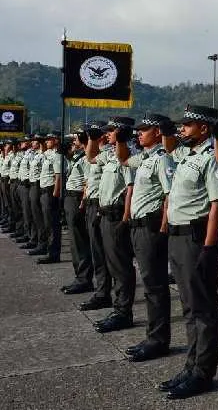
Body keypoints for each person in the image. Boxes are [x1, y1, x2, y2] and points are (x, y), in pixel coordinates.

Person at [158, 105, 218, 400]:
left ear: (204, 128)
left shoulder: (211, 158)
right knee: (189, 307)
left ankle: (203, 372)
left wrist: (210, 247)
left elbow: (217, 203)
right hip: (177, 237)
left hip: (196, 240)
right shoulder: (187, 156)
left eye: (188, 124)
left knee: (203, 310)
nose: (182, 129)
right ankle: (191, 365)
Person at [115, 114, 175, 362]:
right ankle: (152, 335)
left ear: (158, 132)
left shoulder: (162, 159)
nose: (139, 133)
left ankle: (159, 340)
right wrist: (120, 140)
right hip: (139, 227)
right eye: (137, 130)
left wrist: (163, 230)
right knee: (149, 285)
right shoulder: (146, 157)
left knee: (155, 286)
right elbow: (124, 159)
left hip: (152, 227)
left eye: (144, 130)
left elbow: (168, 195)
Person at [86, 117, 137, 333]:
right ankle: (117, 308)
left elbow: (131, 189)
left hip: (117, 215)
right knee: (110, 263)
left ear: (122, 131)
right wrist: (92, 138)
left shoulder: (129, 155)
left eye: (111, 131)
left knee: (121, 266)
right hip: (104, 213)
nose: (106, 134)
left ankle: (123, 312)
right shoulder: (109, 154)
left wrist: (125, 219)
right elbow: (90, 157)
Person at [79, 124, 113, 312]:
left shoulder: (111, 152)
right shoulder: (100, 153)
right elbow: (90, 158)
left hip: (103, 206)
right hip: (92, 203)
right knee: (97, 252)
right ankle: (102, 291)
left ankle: (104, 293)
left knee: (105, 253)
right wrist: (92, 138)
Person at [61, 132, 94, 294]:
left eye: (76, 139)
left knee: (80, 241)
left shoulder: (86, 158)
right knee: (74, 241)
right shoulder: (77, 156)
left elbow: (88, 181)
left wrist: (82, 202)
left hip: (77, 198)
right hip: (70, 197)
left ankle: (84, 278)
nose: (73, 142)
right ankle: (79, 276)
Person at [36, 133, 63, 264]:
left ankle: (53, 253)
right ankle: (48, 249)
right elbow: (42, 151)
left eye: (48, 139)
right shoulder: (48, 154)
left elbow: (58, 177)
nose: (46, 141)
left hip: (50, 192)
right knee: (47, 223)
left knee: (52, 224)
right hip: (44, 191)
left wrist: (55, 195)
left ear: (56, 140)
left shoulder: (56, 156)